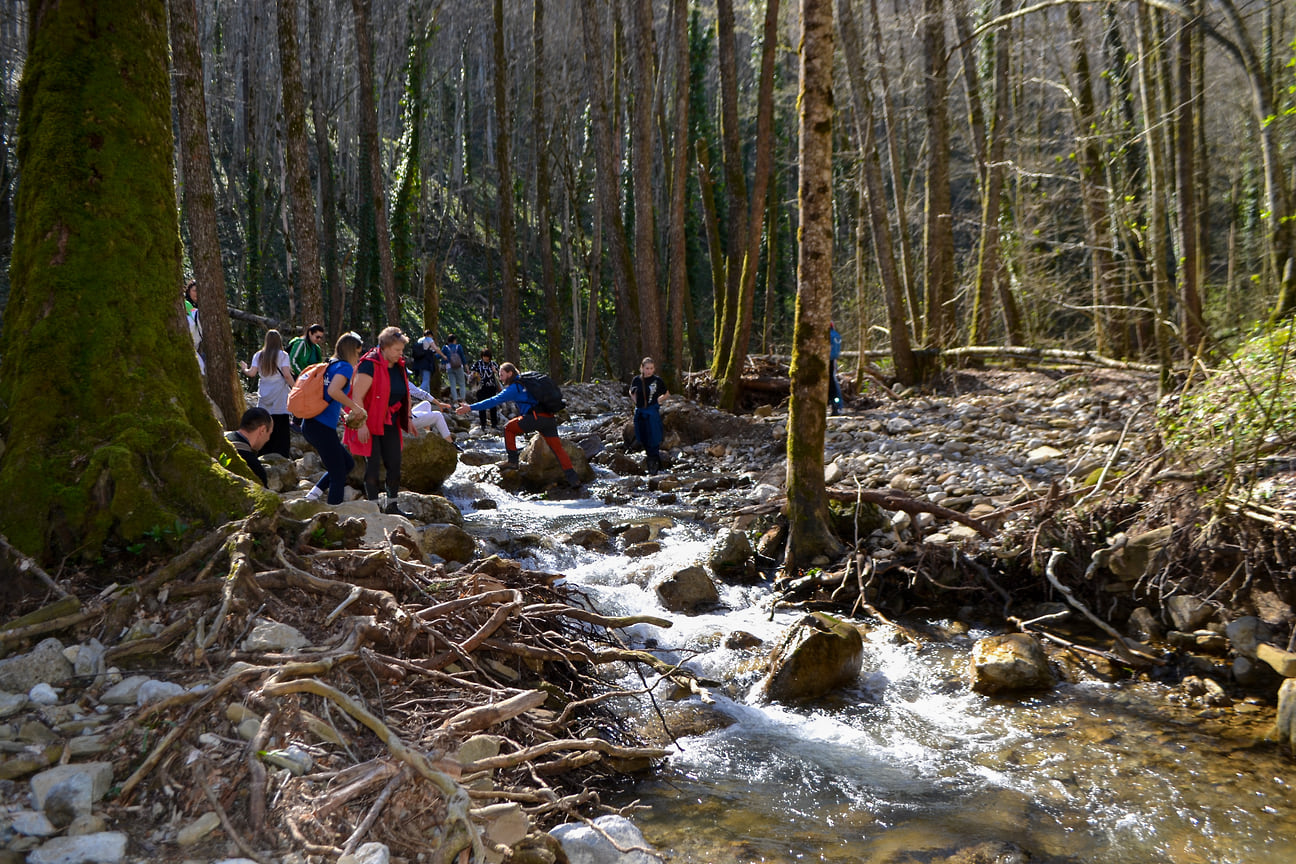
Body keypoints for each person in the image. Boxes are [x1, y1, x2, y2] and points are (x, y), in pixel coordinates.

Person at [456, 362, 580, 487]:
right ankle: (574, 479)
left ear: (510, 373)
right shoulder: (528, 382)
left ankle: (512, 461)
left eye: (502, 375)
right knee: (558, 449)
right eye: (499, 375)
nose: (500, 378)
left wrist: (470, 407)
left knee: (508, 428)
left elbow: (493, 401)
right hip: (548, 418)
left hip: (534, 418)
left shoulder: (515, 388)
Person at [346, 326, 417, 516]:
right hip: (369, 421)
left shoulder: (399, 365)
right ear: (384, 347)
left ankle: (392, 505)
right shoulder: (369, 364)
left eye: (402, 350)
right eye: (397, 350)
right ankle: (373, 508)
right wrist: (361, 425)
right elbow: (357, 397)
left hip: (390, 421)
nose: (400, 354)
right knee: (373, 464)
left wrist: (408, 418)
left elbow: (404, 395)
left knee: (394, 463)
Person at [302, 332, 367, 504]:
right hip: (321, 427)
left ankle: (312, 495)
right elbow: (333, 391)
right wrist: (356, 408)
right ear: (351, 350)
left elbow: (327, 396)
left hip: (312, 424)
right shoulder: (345, 367)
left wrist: (343, 413)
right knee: (338, 473)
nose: (359, 357)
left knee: (347, 464)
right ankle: (334, 513)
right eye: (358, 353)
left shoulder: (331, 363)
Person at [240, 329, 295, 458]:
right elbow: (286, 375)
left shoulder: (259, 355)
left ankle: (264, 453)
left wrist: (244, 368)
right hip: (280, 394)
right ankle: (281, 454)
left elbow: (252, 373)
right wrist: (296, 388)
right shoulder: (283, 355)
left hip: (264, 394)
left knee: (265, 424)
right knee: (281, 425)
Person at [630, 357, 670, 475]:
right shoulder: (637, 380)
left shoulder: (657, 380)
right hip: (640, 411)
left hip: (652, 411)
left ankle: (654, 461)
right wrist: (636, 402)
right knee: (642, 435)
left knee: (654, 434)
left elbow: (667, 393)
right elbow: (631, 391)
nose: (649, 371)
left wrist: (658, 401)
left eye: (651, 368)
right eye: (647, 368)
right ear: (642, 368)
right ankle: (651, 459)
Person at [224, 407, 273, 487]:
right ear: (262, 430)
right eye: (269, 433)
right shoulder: (253, 465)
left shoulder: (220, 438)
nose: (268, 439)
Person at [408, 377, 461, 449]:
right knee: (438, 415)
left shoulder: (393, 382)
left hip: (399, 418)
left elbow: (422, 394)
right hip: (405, 421)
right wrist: (438, 404)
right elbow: (421, 394)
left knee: (426, 404)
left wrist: (438, 404)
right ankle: (451, 444)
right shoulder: (403, 384)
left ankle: (426, 434)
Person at [469, 349, 501, 430]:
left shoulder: (493, 364)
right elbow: (472, 372)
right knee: (481, 405)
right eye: (484, 356)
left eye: (488, 357)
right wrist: (475, 374)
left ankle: (494, 424)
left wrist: (495, 371)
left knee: (493, 405)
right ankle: (483, 424)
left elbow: (499, 373)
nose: (486, 358)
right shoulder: (478, 363)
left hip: (491, 387)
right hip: (481, 387)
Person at [184, 280, 205, 374]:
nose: (197, 293)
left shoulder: (202, 307)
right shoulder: (184, 305)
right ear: (188, 291)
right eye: (194, 290)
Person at [441, 333, 469, 402]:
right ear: (454, 340)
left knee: (452, 385)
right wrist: (466, 366)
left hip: (449, 367)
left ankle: (455, 400)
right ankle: (463, 400)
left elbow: (439, 355)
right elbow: (462, 357)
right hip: (459, 367)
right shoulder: (458, 347)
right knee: (462, 384)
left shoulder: (445, 348)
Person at [828, 320, 843, 416]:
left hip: (828, 361)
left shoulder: (828, 336)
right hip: (834, 361)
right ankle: (837, 405)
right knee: (833, 382)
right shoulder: (836, 335)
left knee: (831, 383)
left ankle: (835, 406)